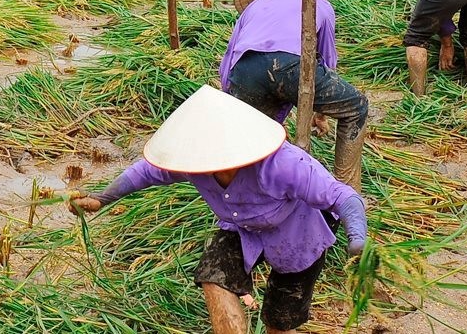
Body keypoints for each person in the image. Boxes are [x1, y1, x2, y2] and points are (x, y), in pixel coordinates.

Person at [70, 86, 368, 334]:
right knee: (213, 277)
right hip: (241, 230)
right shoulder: (194, 161)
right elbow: (147, 172)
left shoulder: (283, 164)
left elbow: (343, 196)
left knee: (278, 322)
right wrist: (102, 198)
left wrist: (356, 237)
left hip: (298, 237)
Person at [223, 0, 370, 189]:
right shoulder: (318, 4)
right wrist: (321, 114)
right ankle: (346, 190)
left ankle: (243, 190)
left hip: (246, 69)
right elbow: (327, 60)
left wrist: (231, 103)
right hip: (292, 66)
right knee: (356, 107)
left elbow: (228, 62)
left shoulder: (253, 9)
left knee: (254, 133)